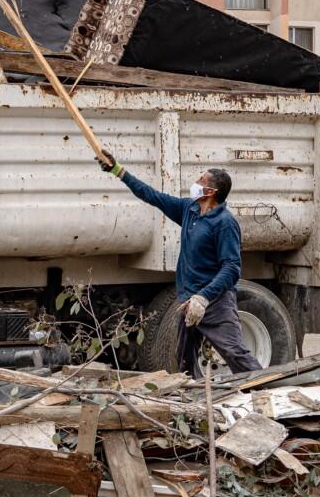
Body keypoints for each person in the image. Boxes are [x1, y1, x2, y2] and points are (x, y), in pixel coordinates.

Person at [100, 152, 262, 375]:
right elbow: (151, 195)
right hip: (188, 301)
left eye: (200, 181)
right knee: (184, 359)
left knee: (235, 353)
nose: (195, 184)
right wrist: (118, 170)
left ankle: (269, 393)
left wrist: (204, 298)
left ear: (212, 192)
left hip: (214, 302)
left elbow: (232, 268)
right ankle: (195, 401)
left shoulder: (225, 223)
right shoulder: (190, 210)